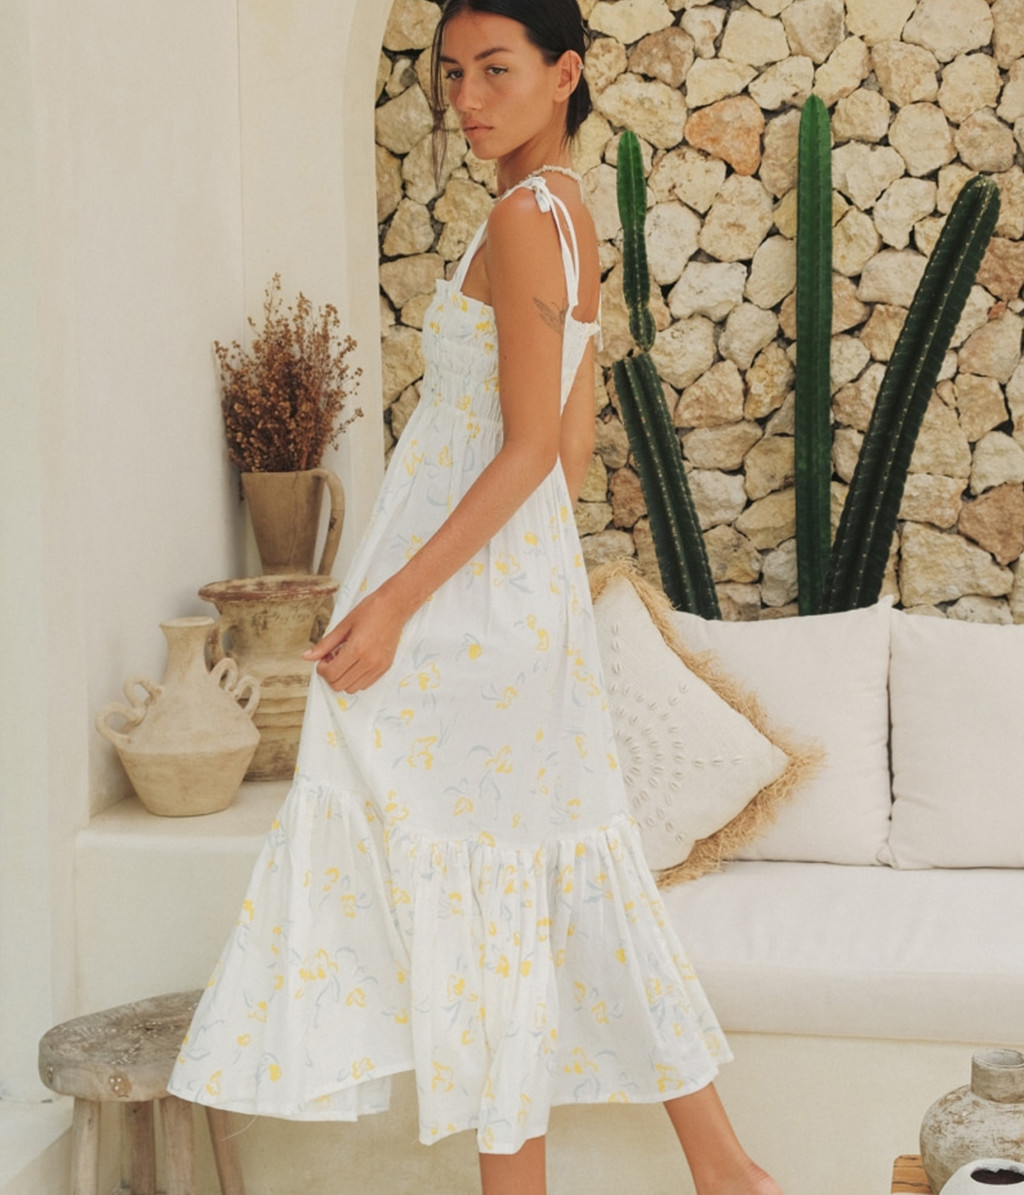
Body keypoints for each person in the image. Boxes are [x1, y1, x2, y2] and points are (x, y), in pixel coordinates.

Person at [169, 2, 781, 1192]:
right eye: (452, 74)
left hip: (469, 608)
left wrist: (397, 600)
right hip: (505, 594)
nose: (467, 99)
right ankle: (725, 1172)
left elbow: (528, 452)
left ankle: (708, 1173)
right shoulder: (564, 213)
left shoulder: (520, 219)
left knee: (486, 867)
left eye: (496, 70)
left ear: (565, 74)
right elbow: (567, 454)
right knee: (531, 872)